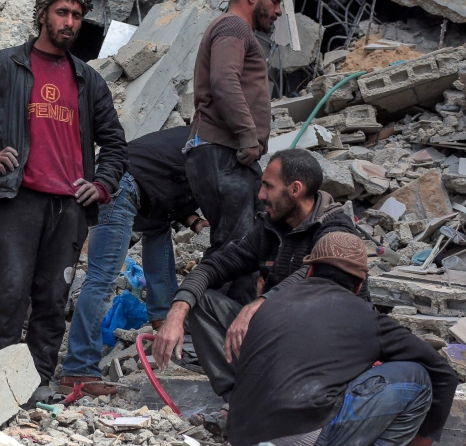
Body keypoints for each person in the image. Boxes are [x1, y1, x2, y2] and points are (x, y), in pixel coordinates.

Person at [0, 0, 127, 400]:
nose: (70, 22)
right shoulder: (6, 66)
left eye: (77, 16)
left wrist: (102, 185)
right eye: (62, 13)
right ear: (42, 14)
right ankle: (1, 384)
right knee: (9, 295)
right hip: (17, 201)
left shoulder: (88, 81)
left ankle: (39, 383)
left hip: (69, 208)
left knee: (52, 299)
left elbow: (115, 142)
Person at [228, 232, 458, 446]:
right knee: (418, 377)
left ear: (310, 270)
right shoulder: (366, 317)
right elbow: (444, 374)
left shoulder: (269, 304)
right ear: (359, 285)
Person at [153, 149, 359, 402]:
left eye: (268, 186)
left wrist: (259, 305)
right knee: (202, 301)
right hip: (277, 332)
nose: (260, 195)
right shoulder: (270, 227)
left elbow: (316, 276)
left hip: (323, 343)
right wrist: (178, 309)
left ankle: (279, 400)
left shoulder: (335, 230)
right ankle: (240, 400)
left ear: (295, 189)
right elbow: (215, 266)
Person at [60, 126, 206, 397]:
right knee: (101, 279)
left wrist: (194, 220)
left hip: (145, 197)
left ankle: (165, 326)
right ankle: (78, 369)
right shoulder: (210, 144)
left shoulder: (198, 143)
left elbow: (173, 191)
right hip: (119, 186)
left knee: (158, 230)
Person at [185, 0, 284, 280]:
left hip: (220, 153)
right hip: (222, 152)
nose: (279, 11)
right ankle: (211, 324)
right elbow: (224, 82)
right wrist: (247, 137)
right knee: (236, 253)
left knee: (236, 248)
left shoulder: (231, 29)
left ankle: (215, 322)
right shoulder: (234, 27)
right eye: (275, 0)